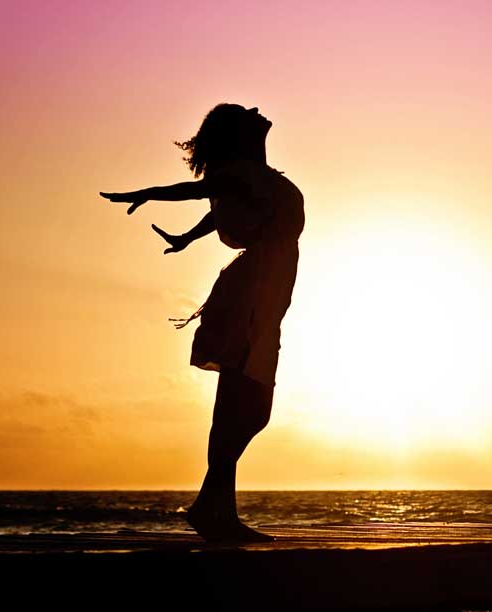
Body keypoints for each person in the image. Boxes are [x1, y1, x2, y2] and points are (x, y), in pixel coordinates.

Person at [100, 103, 305, 542]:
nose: (256, 109)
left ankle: (212, 507)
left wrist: (186, 238)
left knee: (248, 405)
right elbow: (193, 192)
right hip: (253, 293)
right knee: (243, 401)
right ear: (239, 133)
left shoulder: (255, 177)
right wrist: (148, 194)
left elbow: (218, 210)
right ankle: (215, 510)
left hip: (263, 292)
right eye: (245, 112)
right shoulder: (241, 172)